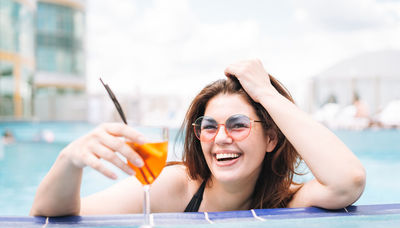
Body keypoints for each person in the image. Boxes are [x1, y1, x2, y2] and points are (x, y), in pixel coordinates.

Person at [30, 59, 366, 216]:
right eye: (209, 126)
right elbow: (50, 212)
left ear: (271, 139)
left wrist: (266, 93)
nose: (220, 138)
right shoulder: (175, 185)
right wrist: (69, 161)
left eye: (238, 124)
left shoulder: (287, 200)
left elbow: (347, 180)